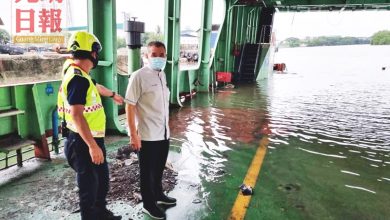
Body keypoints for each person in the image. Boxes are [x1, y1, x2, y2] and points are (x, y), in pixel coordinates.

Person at [58, 31, 123, 220]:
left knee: (101, 181)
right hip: (82, 142)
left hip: (91, 139)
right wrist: (92, 146)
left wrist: (112, 95)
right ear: (93, 53)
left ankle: (101, 213)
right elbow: (77, 115)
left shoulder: (80, 73)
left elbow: (96, 86)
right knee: (89, 186)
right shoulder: (77, 79)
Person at [125, 41, 176, 219]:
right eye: (154, 54)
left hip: (163, 133)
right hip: (146, 136)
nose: (158, 58)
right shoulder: (139, 76)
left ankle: (158, 195)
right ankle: (148, 204)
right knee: (146, 172)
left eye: (162, 55)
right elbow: (129, 106)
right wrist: (133, 135)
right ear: (146, 56)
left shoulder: (162, 75)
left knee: (159, 168)